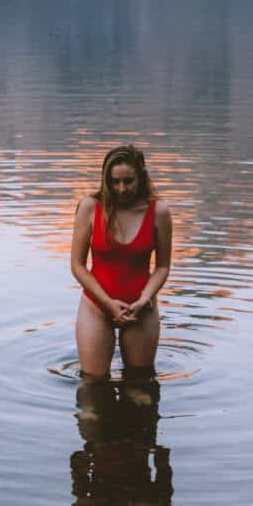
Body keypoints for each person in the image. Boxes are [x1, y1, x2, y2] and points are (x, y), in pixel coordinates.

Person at [70, 143, 172, 381]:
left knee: (140, 384)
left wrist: (145, 299)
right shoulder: (89, 208)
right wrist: (107, 302)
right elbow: (77, 265)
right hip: (97, 306)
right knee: (92, 384)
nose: (121, 188)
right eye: (114, 182)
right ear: (105, 180)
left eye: (129, 181)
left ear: (141, 177)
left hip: (142, 309)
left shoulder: (159, 212)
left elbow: (163, 266)